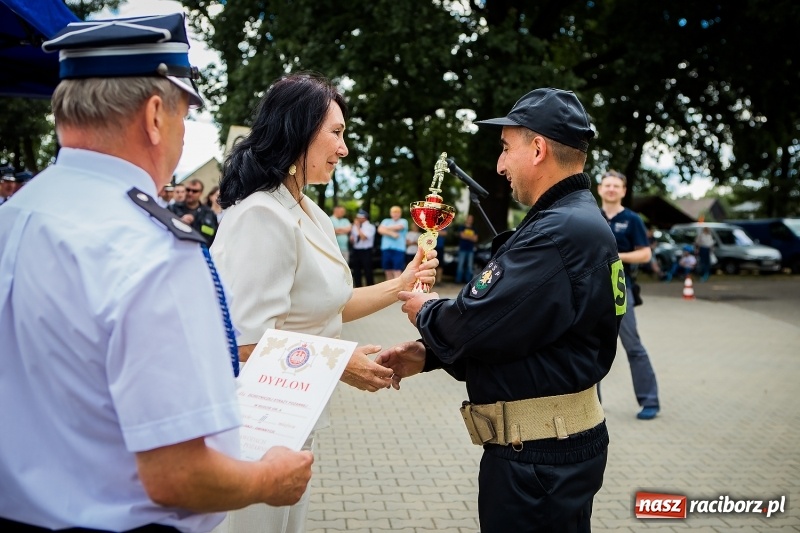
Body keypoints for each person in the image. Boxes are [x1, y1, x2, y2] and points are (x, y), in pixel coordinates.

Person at [0, 13, 313, 532]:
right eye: (184, 116)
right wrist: (267, 479)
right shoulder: (152, 251)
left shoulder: (14, 217)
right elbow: (178, 475)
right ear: (153, 116)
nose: (182, 134)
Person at [376, 88, 625, 533]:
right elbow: (520, 328)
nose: (499, 165)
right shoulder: (574, 220)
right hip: (549, 449)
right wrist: (429, 354)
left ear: (538, 148)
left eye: (506, 149)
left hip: (537, 462)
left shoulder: (559, 231)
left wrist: (426, 311)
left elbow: (475, 322)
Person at [209, 73, 438, 533]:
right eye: (336, 133)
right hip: (253, 428)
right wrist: (338, 363)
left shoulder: (310, 212)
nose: (344, 148)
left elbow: (328, 307)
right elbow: (242, 343)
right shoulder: (260, 214)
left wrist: (403, 283)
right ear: (297, 131)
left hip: (295, 418)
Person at [597, 170, 661, 420]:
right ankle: (592, 405)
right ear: (600, 189)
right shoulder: (590, 215)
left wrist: (616, 257)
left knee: (633, 345)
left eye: (616, 186)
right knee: (590, 346)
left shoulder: (633, 219)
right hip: (591, 286)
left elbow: (645, 254)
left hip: (620, 285)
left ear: (623, 191)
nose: (611, 189)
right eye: (607, 185)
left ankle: (650, 402)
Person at [169, 178, 219, 246]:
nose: (190, 193)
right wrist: (180, 222)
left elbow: (213, 235)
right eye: (188, 190)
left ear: (201, 193)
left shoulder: (209, 213)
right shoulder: (172, 208)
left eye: (194, 191)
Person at [377, 205, 408, 280]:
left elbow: (399, 227)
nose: (395, 214)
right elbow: (379, 230)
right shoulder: (386, 221)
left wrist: (385, 228)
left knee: (397, 270)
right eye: (393, 212)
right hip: (386, 249)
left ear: (400, 213)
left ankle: (398, 290)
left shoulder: (403, 221)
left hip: (398, 249)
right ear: (390, 213)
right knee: (388, 271)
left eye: (397, 212)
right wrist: (392, 234)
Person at [350, 208, 376, 286]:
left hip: (366, 251)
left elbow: (363, 237)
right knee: (356, 270)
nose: (357, 219)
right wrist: (351, 239)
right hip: (356, 250)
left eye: (359, 217)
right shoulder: (355, 226)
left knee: (367, 270)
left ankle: (370, 286)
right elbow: (353, 238)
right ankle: (358, 286)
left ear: (364, 218)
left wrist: (358, 228)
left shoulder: (370, 227)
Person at [454, 214, 479, 283]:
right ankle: (458, 280)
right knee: (460, 265)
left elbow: (475, 239)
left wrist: (466, 236)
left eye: (471, 219)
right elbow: (462, 236)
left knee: (469, 266)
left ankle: (468, 281)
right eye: (469, 218)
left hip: (470, 250)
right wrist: (471, 237)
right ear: (466, 219)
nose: (469, 220)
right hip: (462, 249)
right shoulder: (462, 227)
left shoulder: (474, 229)